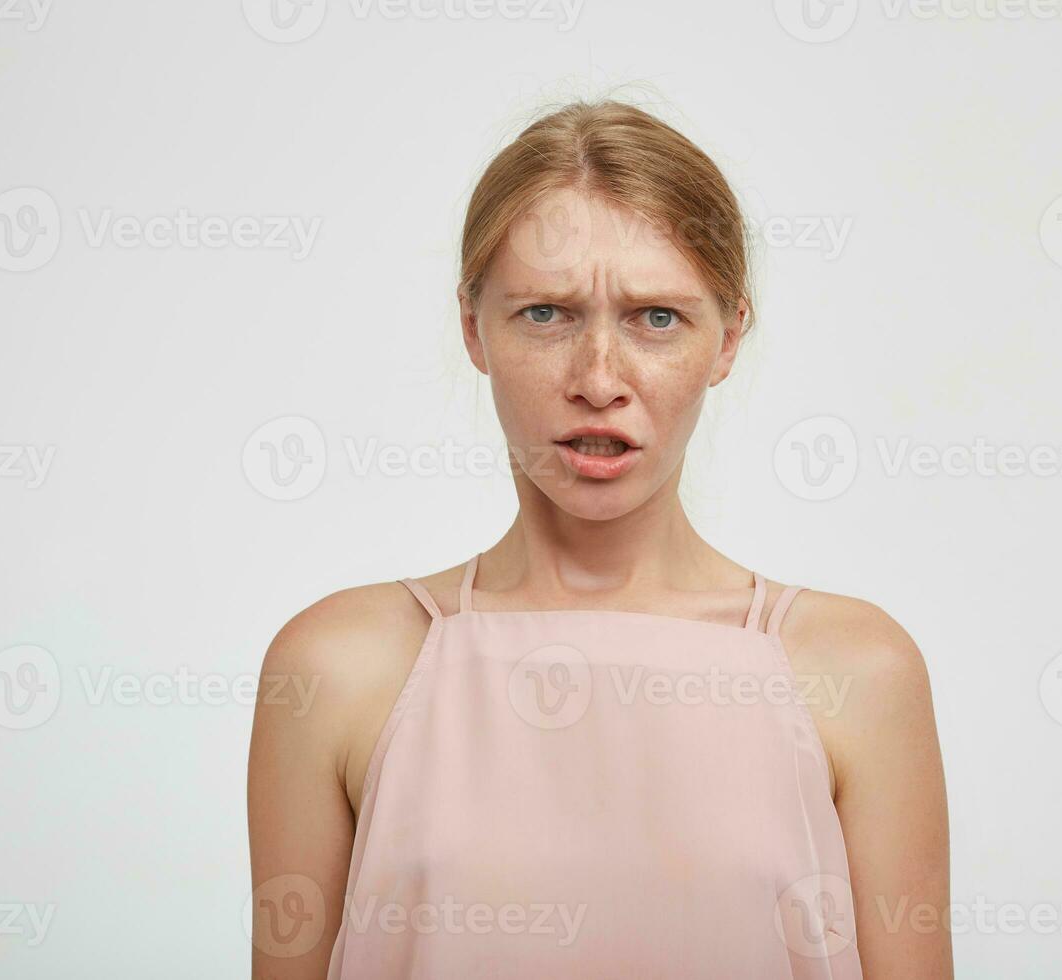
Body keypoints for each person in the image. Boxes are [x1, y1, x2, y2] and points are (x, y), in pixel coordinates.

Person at [247, 98, 952, 979]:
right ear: (474, 328)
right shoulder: (338, 666)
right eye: (547, 314)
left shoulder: (857, 670)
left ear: (729, 337)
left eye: (657, 317)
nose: (598, 379)